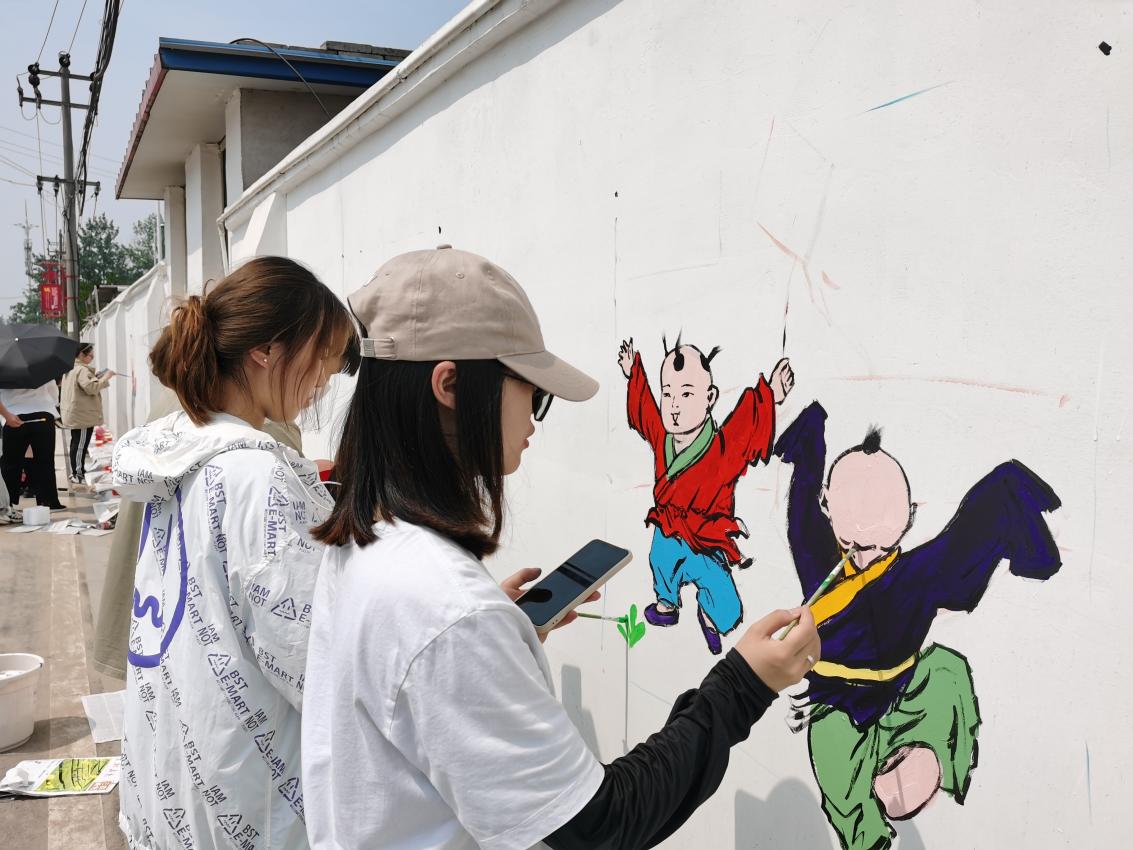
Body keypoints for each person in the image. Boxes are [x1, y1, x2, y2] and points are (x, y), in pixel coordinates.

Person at [303, 246, 822, 850]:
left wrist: (495, 639)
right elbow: (604, 826)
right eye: (533, 393)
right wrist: (744, 684)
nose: (534, 420)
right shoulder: (447, 613)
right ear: (451, 385)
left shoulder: (369, 539)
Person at [111, 256, 359, 850]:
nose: (324, 380)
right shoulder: (256, 476)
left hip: (179, 785)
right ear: (267, 352)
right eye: (321, 356)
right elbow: (318, 665)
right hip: (252, 803)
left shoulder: (177, 452)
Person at [774, 401, 1062, 850]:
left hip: (904, 691)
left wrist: (1007, 494)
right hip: (837, 705)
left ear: (907, 517)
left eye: (873, 546)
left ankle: (942, 759)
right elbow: (802, 513)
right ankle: (866, 838)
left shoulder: (914, 576)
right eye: (850, 543)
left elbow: (964, 541)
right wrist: (810, 437)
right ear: (829, 505)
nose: (861, 554)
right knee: (833, 763)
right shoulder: (819, 557)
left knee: (947, 671)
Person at [618, 335, 794, 653]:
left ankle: (710, 617)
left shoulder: (722, 448)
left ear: (709, 397)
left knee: (726, 603)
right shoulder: (663, 437)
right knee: (660, 559)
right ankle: (667, 604)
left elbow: (744, 427)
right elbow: (646, 412)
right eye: (668, 393)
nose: (674, 406)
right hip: (669, 529)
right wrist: (634, 372)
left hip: (706, 539)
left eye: (686, 394)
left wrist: (771, 393)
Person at [1, 380, 65, 511]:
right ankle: (49, 501)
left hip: (13, 415)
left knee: (11, 463)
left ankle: (7, 503)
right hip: (43, 413)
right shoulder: (40, 368)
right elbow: (53, 391)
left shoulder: (5, 370)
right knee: (45, 461)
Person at [61, 342, 115, 484]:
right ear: (81, 354)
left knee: (76, 443)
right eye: (90, 356)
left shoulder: (71, 368)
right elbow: (91, 388)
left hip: (76, 414)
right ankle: (77, 474)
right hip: (82, 416)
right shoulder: (82, 370)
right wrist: (106, 377)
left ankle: (76, 472)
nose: (92, 358)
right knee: (80, 445)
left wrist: (96, 377)